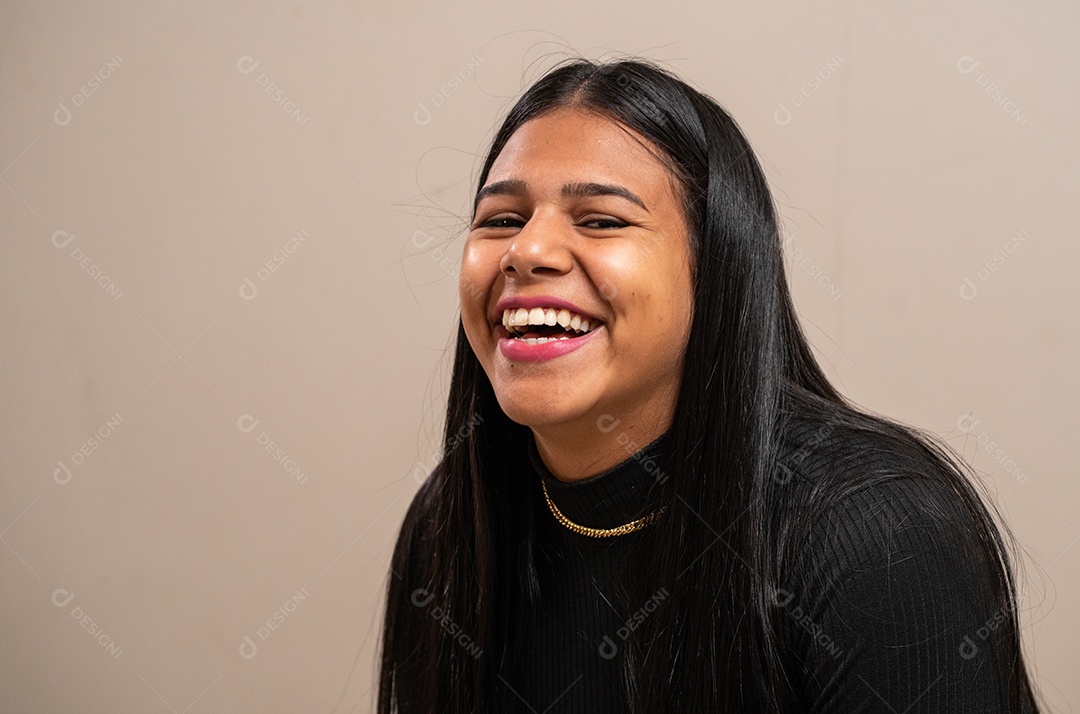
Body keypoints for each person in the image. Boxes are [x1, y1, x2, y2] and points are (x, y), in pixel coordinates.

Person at [378, 58, 1040, 713]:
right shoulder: (450, 522)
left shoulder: (875, 535)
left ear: (714, 265)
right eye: (501, 220)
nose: (526, 250)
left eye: (601, 220)